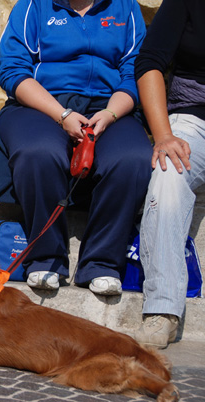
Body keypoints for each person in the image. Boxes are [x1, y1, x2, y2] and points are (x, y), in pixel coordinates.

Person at [0, 0, 152, 295]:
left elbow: (135, 72)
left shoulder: (125, 7)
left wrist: (111, 114)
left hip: (109, 105)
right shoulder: (33, 6)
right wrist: (61, 114)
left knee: (133, 158)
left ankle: (102, 263)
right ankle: (46, 258)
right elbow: (12, 70)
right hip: (42, 103)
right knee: (39, 151)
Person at [134, 0, 205, 349]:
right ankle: (162, 309)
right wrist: (163, 136)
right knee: (167, 175)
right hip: (193, 121)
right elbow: (150, 63)